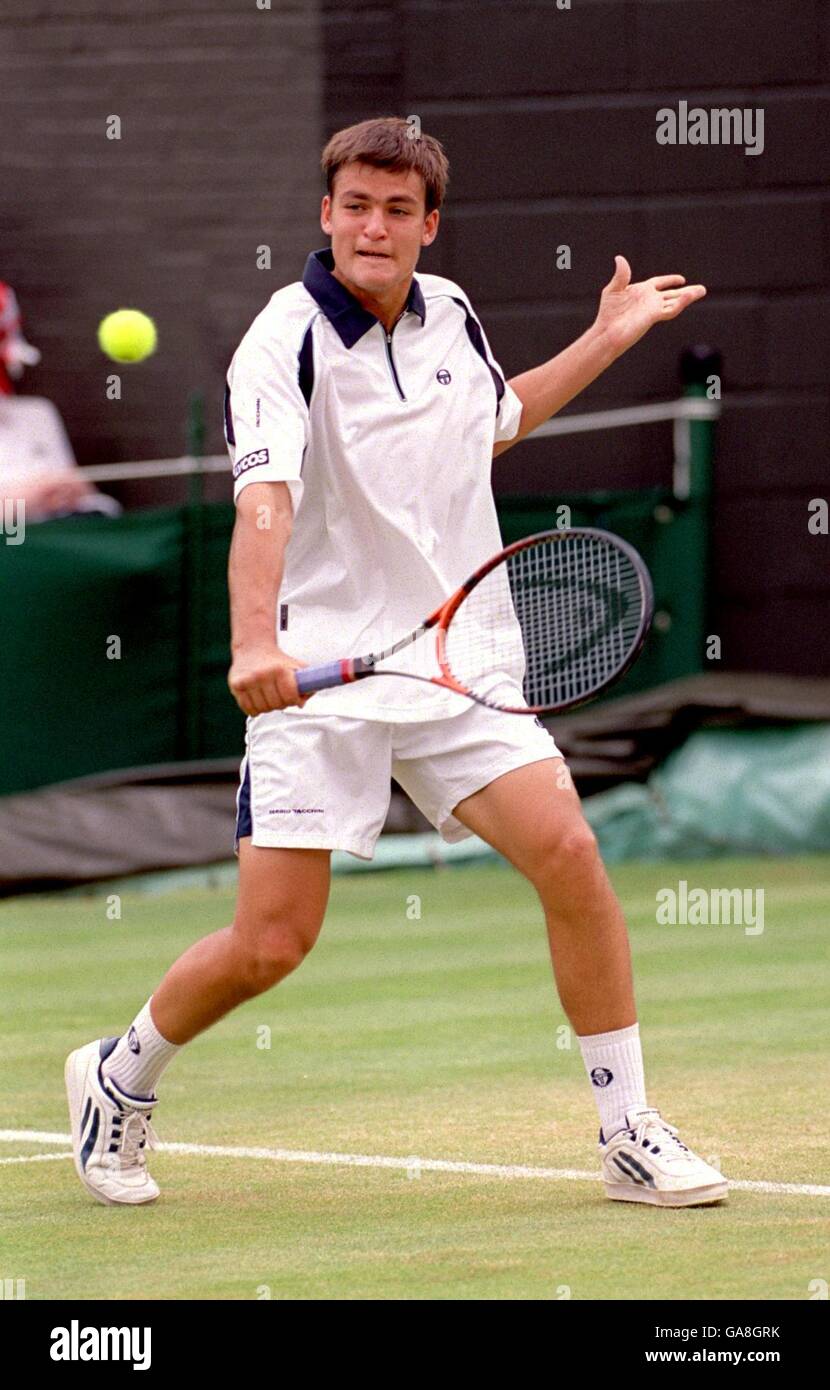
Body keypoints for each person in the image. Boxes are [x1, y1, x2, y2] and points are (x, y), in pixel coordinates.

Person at [65, 117, 727, 1209]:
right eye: (356, 206)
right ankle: (118, 1075)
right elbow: (263, 503)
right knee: (270, 944)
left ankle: (625, 1130)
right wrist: (252, 643)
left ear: (429, 224)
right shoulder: (280, 342)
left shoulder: (452, 312)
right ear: (326, 215)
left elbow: (495, 423)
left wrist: (606, 336)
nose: (375, 226)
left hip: (457, 660)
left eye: (397, 209)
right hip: (320, 669)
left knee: (569, 852)